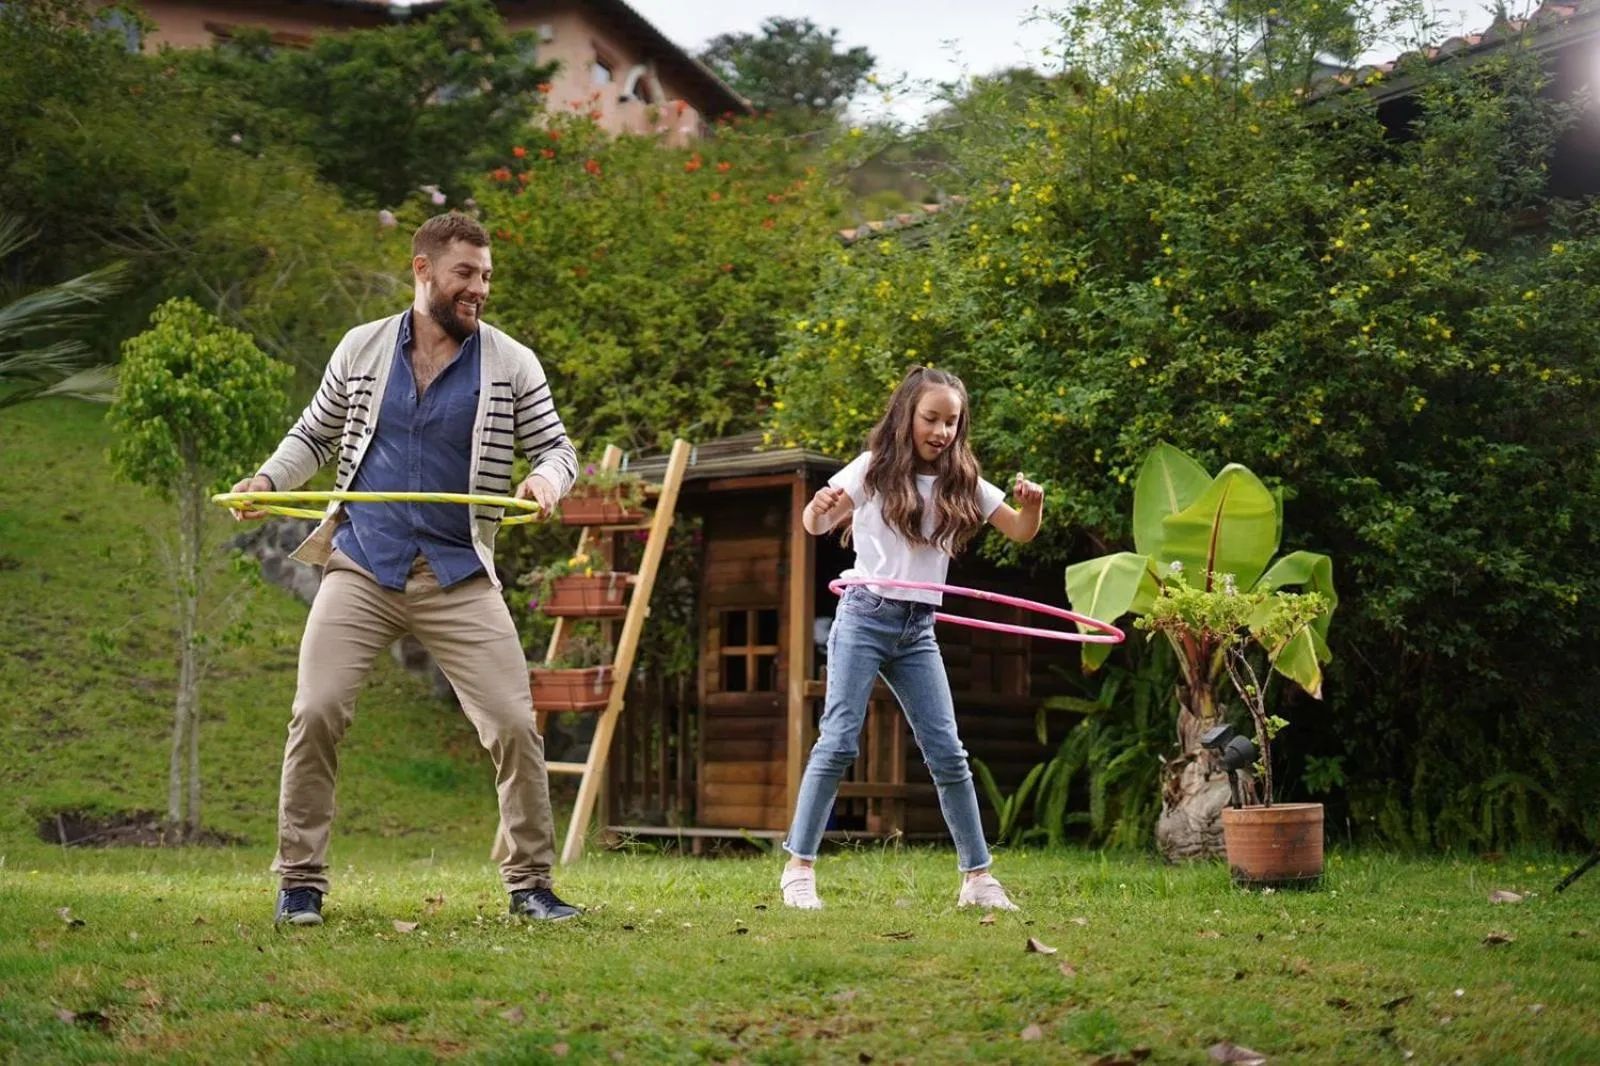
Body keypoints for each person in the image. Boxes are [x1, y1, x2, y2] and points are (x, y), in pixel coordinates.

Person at [231, 212, 583, 926]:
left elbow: (557, 450)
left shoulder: (511, 362)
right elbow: (315, 433)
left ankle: (532, 885)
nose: (478, 289)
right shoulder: (362, 348)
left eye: (485, 276)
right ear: (422, 270)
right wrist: (267, 482)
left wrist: (545, 484)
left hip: (455, 572)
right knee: (317, 709)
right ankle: (300, 881)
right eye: (465, 274)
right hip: (363, 564)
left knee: (514, 722)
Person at [780, 367, 1044, 911]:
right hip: (865, 614)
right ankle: (798, 868)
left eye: (952, 421)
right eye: (932, 418)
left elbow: (1018, 529)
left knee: (948, 752)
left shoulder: (962, 479)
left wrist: (1033, 505)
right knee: (839, 740)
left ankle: (978, 880)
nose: (942, 431)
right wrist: (819, 509)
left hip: (918, 627)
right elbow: (814, 525)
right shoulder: (874, 468)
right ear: (907, 416)